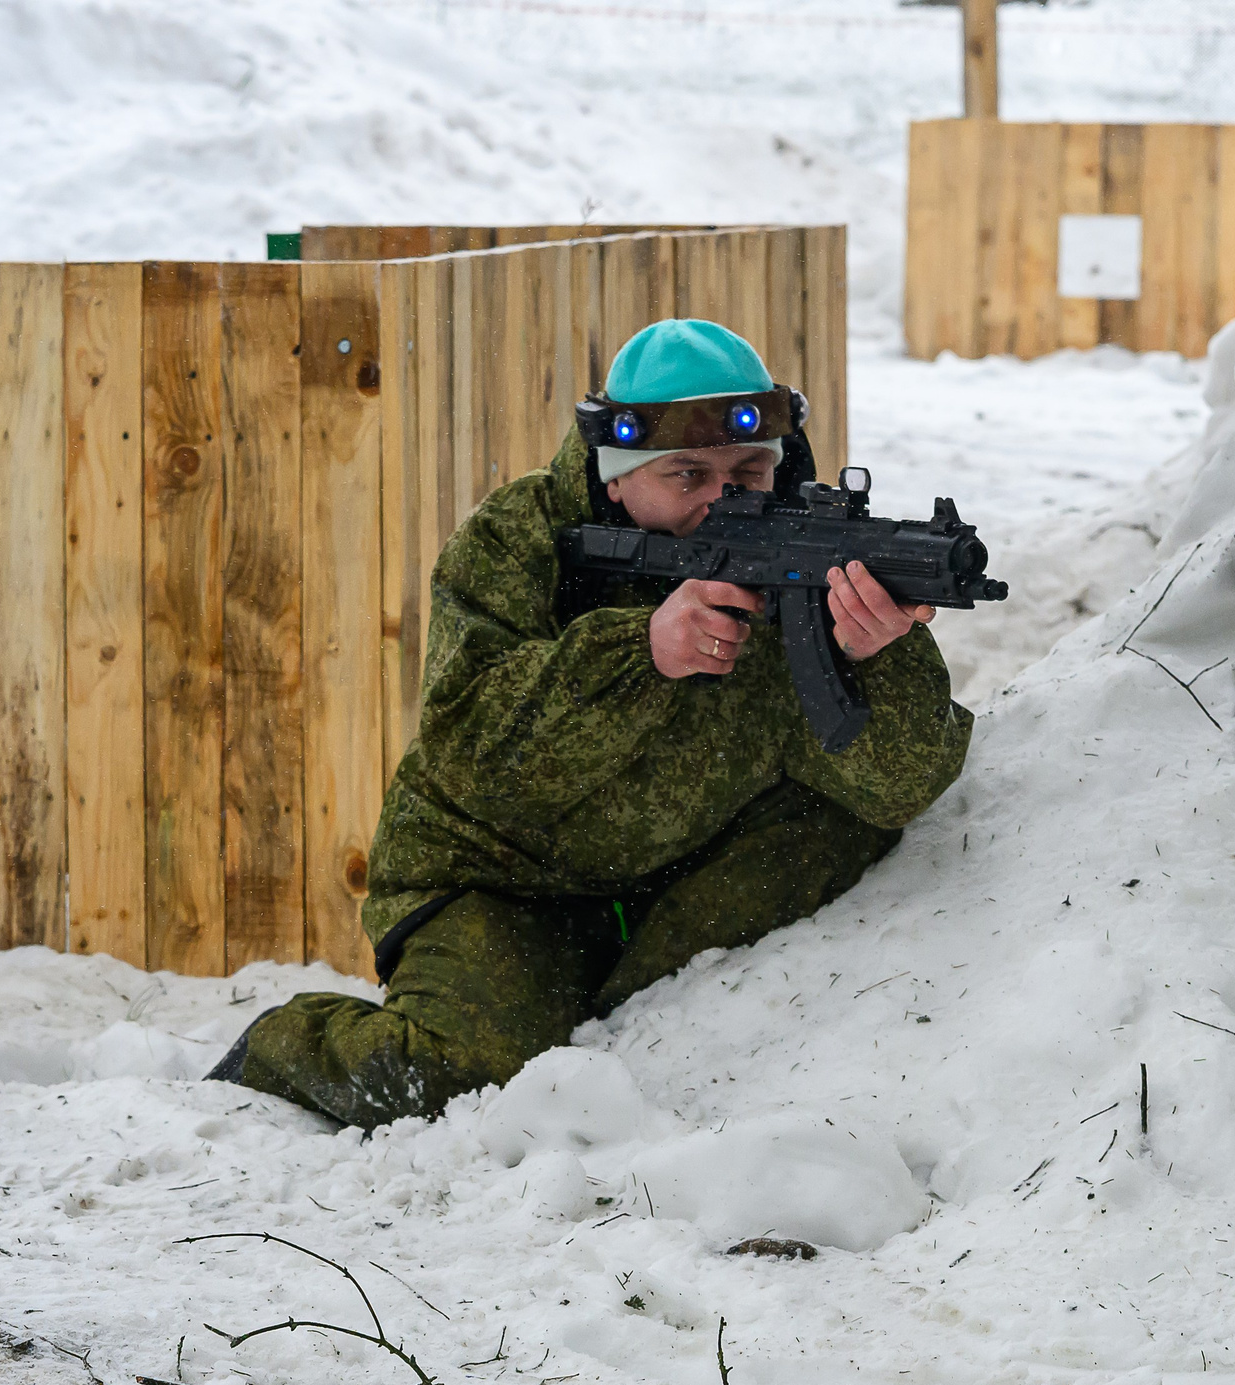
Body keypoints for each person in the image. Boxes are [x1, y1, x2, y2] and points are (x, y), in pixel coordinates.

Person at [209, 318, 974, 1125]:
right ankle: (282, 1044)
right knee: (454, 1077)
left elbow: (898, 788)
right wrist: (641, 653)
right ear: (617, 479)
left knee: (830, 848)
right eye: (688, 475)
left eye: (749, 470)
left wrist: (875, 655)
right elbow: (476, 753)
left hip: (680, 879)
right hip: (504, 881)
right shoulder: (517, 543)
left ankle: (602, 1013)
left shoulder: (811, 550)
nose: (726, 497)